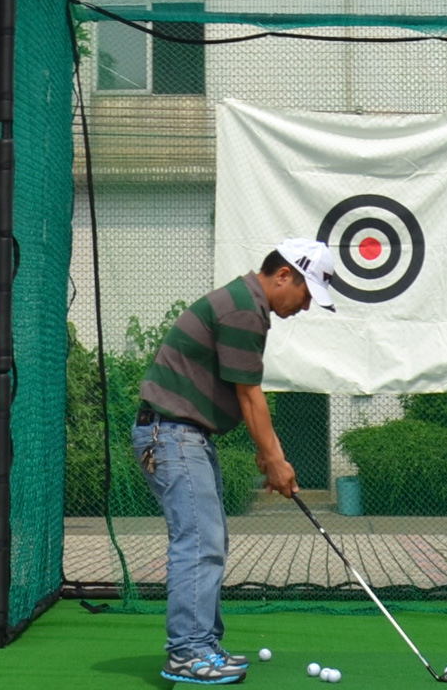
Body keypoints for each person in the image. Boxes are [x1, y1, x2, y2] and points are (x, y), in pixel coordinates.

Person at [132, 237, 335, 685]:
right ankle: (186, 652)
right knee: (199, 541)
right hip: (172, 434)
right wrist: (276, 459)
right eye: (306, 294)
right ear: (284, 275)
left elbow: (239, 392)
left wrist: (267, 453)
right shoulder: (245, 308)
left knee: (210, 540)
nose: (305, 307)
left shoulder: (245, 303)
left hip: (182, 434)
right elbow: (249, 395)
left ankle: (202, 644)